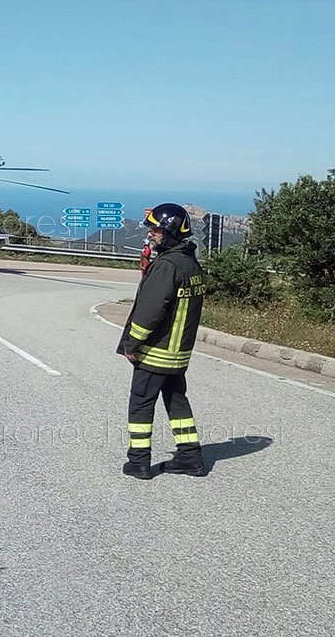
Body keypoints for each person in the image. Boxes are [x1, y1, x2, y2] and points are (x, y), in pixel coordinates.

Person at [116, 203, 206, 479]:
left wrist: (132, 342)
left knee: (141, 403)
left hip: (157, 351)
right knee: (177, 401)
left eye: (155, 230)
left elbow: (150, 311)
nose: (150, 234)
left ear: (170, 232)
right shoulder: (190, 264)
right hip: (178, 353)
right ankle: (190, 456)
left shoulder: (167, 266)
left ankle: (139, 461)